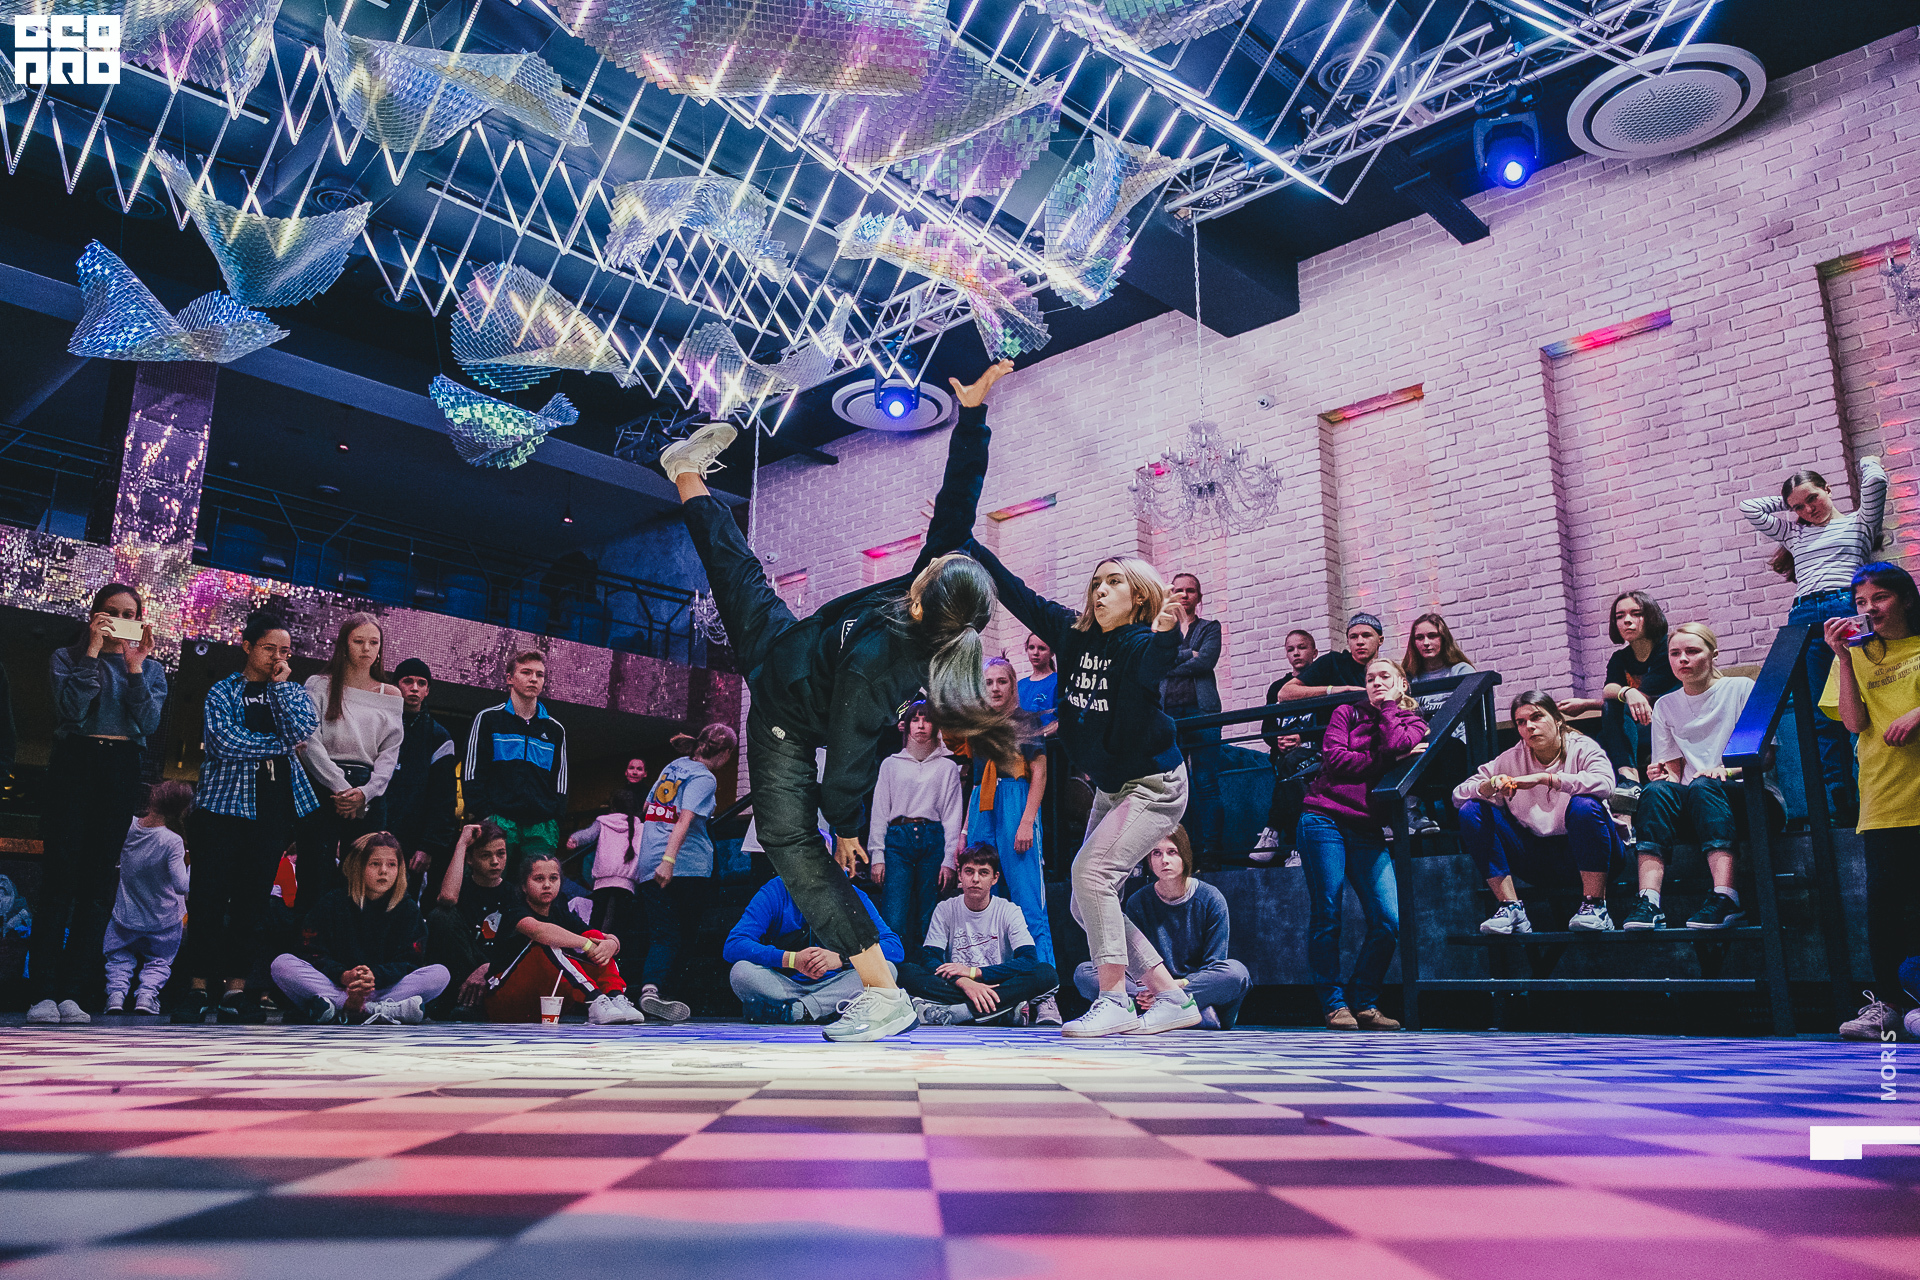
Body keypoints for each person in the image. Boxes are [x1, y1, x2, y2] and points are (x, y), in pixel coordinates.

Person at [657, 360, 1017, 1043]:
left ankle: (883, 994)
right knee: (734, 569)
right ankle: (685, 470)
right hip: (790, 648)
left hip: (788, 720)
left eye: (932, 568)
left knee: (793, 844)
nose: (927, 562)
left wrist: (844, 826)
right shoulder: (935, 592)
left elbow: (850, 756)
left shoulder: (886, 664)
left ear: (924, 603)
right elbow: (957, 508)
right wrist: (972, 417)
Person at [955, 538, 1202, 1038]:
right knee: (1081, 898)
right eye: (1096, 583)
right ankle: (1173, 997)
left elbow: (1153, 666)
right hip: (1114, 786)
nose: (1101, 590)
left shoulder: (1138, 643)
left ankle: (1114, 1000)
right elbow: (1016, 593)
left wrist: (1167, 635)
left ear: (1139, 596)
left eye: (1114, 582)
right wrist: (965, 542)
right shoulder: (1072, 633)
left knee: (1091, 874)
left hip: (1156, 784)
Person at [30, 582, 167, 1024]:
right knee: (59, 880)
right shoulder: (66, 657)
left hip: (121, 765)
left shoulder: (151, 668)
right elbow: (71, 710)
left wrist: (135, 667)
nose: (119, 621)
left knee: (96, 886)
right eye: (111, 612)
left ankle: (73, 992)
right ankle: (42, 992)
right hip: (76, 760)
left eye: (129, 614)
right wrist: (91, 651)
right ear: (94, 615)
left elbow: (148, 722)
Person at [175, 611, 321, 1025]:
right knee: (207, 899)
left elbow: (304, 730)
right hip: (221, 808)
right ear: (247, 647)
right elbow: (224, 741)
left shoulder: (290, 691)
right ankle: (197, 987)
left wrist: (281, 688)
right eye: (269, 648)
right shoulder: (223, 690)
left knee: (252, 903)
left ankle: (236, 990)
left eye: (285, 651)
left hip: (272, 809)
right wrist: (280, 744)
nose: (278, 656)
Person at [1741, 457, 1887, 820]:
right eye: (1798, 507)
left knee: (1862, 697)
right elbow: (1749, 508)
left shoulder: (1859, 522)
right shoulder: (1795, 533)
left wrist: (1867, 460)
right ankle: (1840, 797)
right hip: (1804, 615)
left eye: (1813, 498)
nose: (1807, 510)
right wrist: (1788, 501)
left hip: (1847, 607)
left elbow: (1876, 484)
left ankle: (1871, 790)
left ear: (1828, 489)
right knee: (1821, 709)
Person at [1297, 656, 1427, 1031]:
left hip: (1367, 829)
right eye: (1370, 678)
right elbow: (1336, 760)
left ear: (1402, 683)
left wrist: (1388, 709)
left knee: (1389, 919)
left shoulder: (1414, 722)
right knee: (1327, 912)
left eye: (1385, 676)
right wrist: (1385, 759)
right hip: (1323, 818)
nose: (1376, 682)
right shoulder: (1346, 713)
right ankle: (1334, 1004)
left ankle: (1364, 1001)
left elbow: (1398, 740)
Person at [1820, 563, 1920, 1040]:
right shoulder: (1858, 655)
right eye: (1860, 602)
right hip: (1883, 796)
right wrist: (1842, 658)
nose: (1869, 608)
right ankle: (1889, 1005)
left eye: (1879, 597)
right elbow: (1853, 723)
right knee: (1885, 911)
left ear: (1905, 598)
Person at [1452, 692, 1624, 935]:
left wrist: (1547, 779)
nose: (1529, 727)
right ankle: (1511, 907)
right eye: (1521, 722)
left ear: (1557, 719)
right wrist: (1488, 786)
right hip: (1539, 858)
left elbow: (1606, 784)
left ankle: (1596, 906)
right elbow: (1458, 795)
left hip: (1595, 852)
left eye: (1537, 717)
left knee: (1584, 805)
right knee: (1471, 810)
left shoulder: (1582, 747)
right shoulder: (1510, 759)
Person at [1627, 623, 1757, 930]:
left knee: (1704, 785)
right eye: (1675, 653)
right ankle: (1649, 901)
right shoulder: (1666, 705)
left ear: (1713, 655)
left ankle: (1727, 897)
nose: (1682, 659)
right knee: (1655, 791)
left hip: (1747, 794)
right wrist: (1662, 773)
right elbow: (1673, 772)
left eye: (1692, 651)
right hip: (1695, 800)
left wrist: (1724, 771)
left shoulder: (1741, 688)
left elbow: (1764, 758)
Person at [1072, 826, 1250, 1029]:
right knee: (1085, 972)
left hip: (1190, 986)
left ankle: (1169, 1006)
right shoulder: (1139, 902)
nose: (1164, 860)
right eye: (1156, 853)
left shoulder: (1211, 899)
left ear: (1185, 855)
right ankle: (1189, 1014)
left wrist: (1175, 987)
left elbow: (1213, 964)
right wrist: (1154, 990)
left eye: (1172, 852)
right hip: (1148, 987)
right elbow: (1132, 962)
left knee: (1236, 972)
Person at [619, 724, 737, 1022]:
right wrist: (669, 859)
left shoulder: (674, 766)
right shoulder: (705, 778)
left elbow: (648, 806)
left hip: (649, 860)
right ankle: (667, 991)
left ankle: (650, 989)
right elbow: (685, 819)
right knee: (685, 934)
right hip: (686, 865)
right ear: (725, 753)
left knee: (663, 934)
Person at [270, 832, 447, 1025]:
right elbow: (311, 952)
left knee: (440, 974)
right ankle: (375, 1008)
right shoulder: (332, 903)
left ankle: (346, 1007)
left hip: (383, 988)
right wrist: (343, 975)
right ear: (358, 867)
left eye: (391, 865)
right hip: (337, 985)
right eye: (375, 864)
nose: (383, 871)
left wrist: (375, 976)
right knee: (282, 964)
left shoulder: (408, 909)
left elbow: (410, 961)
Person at [965, 664, 1058, 1024]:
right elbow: (975, 782)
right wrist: (965, 831)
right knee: (984, 904)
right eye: (988, 682)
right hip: (982, 807)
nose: (995, 688)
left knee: (1028, 902)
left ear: (1013, 684)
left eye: (1001, 681)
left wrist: (1026, 820)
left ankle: (1045, 994)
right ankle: (1001, 996)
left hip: (1015, 801)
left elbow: (1040, 773)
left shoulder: (1026, 719)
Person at [295, 613, 403, 913]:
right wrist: (342, 788)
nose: (367, 649)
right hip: (323, 784)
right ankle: (309, 936)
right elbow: (308, 741)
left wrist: (365, 793)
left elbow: (390, 753)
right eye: (359, 641)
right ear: (344, 644)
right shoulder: (318, 684)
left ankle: (354, 939)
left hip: (369, 790)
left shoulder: (391, 693)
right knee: (314, 872)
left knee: (363, 879)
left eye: (374, 642)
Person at [902, 845, 1058, 1026]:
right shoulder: (945, 909)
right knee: (906, 972)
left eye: (983, 873)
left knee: (1046, 974)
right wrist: (965, 982)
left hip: (996, 983)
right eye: (969, 871)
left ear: (994, 878)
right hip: (960, 984)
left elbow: (1029, 960)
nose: (975, 879)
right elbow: (929, 959)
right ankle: (1001, 1011)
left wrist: (973, 973)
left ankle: (961, 1012)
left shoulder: (1009, 910)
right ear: (960, 875)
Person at [485, 851, 645, 1024]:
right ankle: (593, 999)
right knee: (547, 942)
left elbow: (598, 937)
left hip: (543, 1001)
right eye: (539, 879)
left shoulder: (559, 911)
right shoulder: (514, 908)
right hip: (504, 998)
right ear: (524, 886)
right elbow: (539, 931)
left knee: (595, 936)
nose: (547, 885)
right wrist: (586, 944)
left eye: (553, 878)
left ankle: (615, 996)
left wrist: (612, 944)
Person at [724, 873, 905, 1024]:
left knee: (888, 969)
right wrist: (791, 959)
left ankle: (796, 1011)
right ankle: (826, 1010)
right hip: (787, 984)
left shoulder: (852, 895)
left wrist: (842, 959)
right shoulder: (776, 890)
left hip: (837, 982)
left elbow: (894, 947)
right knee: (741, 972)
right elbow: (734, 943)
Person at [869, 702, 965, 953]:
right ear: (907, 725)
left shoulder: (946, 767)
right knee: (894, 914)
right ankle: (895, 968)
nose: (921, 725)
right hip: (898, 838)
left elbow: (952, 816)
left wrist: (949, 860)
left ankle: (929, 969)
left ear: (935, 726)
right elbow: (879, 811)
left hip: (932, 837)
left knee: (929, 913)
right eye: (915, 719)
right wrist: (877, 855)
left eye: (927, 719)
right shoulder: (891, 764)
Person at [1559, 591, 1679, 787]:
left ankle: (1628, 783)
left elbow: (1643, 700)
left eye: (1636, 613)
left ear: (1651, 616)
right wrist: (1627, 692)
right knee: (1606, 726)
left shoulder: (1668, 650)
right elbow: (1610, 690)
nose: (1627, 621)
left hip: (1669, 724)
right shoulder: (1620, 658)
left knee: (1607, 732)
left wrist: (1587, 704)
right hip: (1641, 726)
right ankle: (1628, 780)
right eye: (1620, 616)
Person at [463, 651, 569, 861]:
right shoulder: (489, 719)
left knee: (539, 881)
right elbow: (473, 774)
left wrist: (555, 819)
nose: (533, 679)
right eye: (526, 672)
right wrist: (485, 816)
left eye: (539, 674)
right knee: (493, 879)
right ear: (509, 678)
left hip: (541, 827)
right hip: (498, 822)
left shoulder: (555, 730)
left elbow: (560, 782)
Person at [101, 780, 194, 1016]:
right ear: (182, 809)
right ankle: (146, 996)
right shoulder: (172, 841)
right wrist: (194, 866)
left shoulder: (128, 826)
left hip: (126, 914)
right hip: (164, 918)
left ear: (154, 797)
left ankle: (115, 996)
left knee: (118, 956)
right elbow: (181, 886)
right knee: (159, 961)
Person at [1163, 573, 1224, 865]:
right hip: (1167, 716)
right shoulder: (1161, 632)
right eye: (1179, 590)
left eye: (1190, 590)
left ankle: (1211, 853)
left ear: (1199, 597)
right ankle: (1180, 855)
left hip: (1203, 713)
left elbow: (1207, 661)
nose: (1184, 595)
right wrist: (1189, 654)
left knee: (1206, 783)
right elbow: (1154, 664)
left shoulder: (1210, 627)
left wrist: (1170, 663)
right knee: (1173, 787)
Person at [425, 820, 514, 1020]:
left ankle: (474, 1005)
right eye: (485, 855)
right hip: (460, 973)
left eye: (501, 854)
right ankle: (459, 1002)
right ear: (470, 859)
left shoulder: (513, 893)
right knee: (441, 916)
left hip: (495, 974)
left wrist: (487, 969)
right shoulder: (459, 887)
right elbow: (447, 898)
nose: (495, 861)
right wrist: (462, 844)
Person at [387, 658, 458, 900]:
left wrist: (428, 846)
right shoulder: (377, 724)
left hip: (413, 844)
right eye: (408, 681)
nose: (414, 688)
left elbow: (444, 799)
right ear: (396, 685)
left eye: (421, 683)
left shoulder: (439, 737)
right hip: (373, 833)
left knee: (402, 905)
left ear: (427, 690)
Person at [1254, 629, 1319, 865]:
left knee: (1289, 770)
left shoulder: (1321, 685)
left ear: (1314, 652)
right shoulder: (1278, 688)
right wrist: (1278, 740)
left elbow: (1329, 722)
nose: (1296, 653)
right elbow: (1267, 727)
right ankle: (1297, 848)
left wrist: (1302, 738)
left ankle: (1274, 832)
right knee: (1286, 766)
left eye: (1302, 647)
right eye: (1290, 649)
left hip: (1315, 754)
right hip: (1283, 757)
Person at [1277, 613, 1381, 702]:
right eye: (1353, 637)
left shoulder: (1385, 669)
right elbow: (1285, 693)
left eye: (1366, 635)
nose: (1360, 642)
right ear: (1348, 641)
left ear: (1380, 640)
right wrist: (1334, 690)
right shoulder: (1333, 662)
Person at [1019, 633, 1059, 734]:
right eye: (1031, 647)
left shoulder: (1058, 681)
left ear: (1052, 653)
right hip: (1023, 741)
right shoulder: (1020, 685)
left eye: (1042, 648)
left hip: (1050, 741)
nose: (1035, 652)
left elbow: (1066, 717)